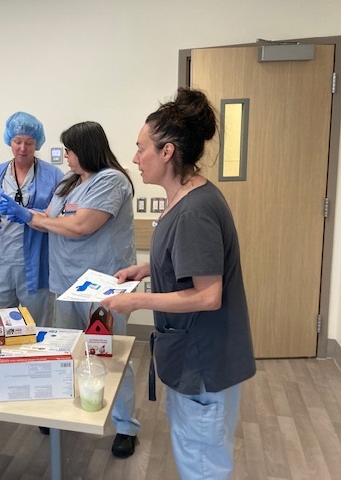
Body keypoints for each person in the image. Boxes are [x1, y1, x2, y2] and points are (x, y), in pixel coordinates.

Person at [101, 87, 256, 479]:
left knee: (202, 465)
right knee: (195, 453)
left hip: (203, 362)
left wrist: (137, 303)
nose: (135, 159)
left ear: (167, 152)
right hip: (195, 356)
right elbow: (189, 261)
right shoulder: (186, 198)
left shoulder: (194, 212)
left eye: (141, 149)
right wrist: (147, 270)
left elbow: (208, 295)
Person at [0, 121, 141, 458]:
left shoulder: (111, 181)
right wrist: (26, 214)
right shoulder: (70, 181)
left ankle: (125, 426)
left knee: (109, 353)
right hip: (66, 283)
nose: (66, 157)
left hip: (101, 289)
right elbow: (51, 216)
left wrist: (32, 218)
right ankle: (63, 413)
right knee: (66, 351)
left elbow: (78, 226)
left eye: (71, 151)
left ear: (87, 150)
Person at [0, 112, 63, 327]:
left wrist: (27, 213)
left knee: (39, 326)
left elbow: (60, 218)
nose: (22, 148)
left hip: (37, 265)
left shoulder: (53, 176)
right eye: (17, 141)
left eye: (29, 142)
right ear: (9, 141)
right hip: (2, 264)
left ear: (37, 143)